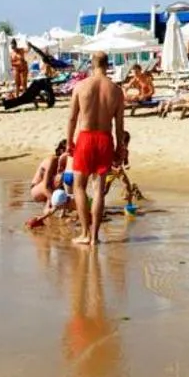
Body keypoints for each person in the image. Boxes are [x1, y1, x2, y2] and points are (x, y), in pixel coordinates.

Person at [64, 50, 126, 246]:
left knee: (79, 186)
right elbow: (120, 124)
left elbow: (72, 118)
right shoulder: (116, 90)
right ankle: (95, 237)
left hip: (85, 137)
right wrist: (119, 148)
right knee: (99, 190)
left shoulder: (81, 86)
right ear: (107, 65)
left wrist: (68, 142)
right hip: (105, 139)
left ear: (91, 65)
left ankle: (84, 233)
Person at [30, 138, 70, 204]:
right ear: (61, 150)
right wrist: (55, 203)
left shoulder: (65, 162)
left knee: (63, 178)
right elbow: (45, 187)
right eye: (68, 151)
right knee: (58, 178)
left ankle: (53, 205)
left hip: (49, 187)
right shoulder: (52, 160)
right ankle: (50, 206)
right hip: (36, 189)